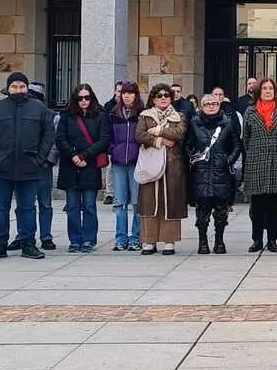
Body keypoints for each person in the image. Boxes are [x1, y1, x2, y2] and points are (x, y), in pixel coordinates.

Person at [0, 72, 57, 261]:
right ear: (8, 88)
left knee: (27, 208)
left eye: (22, 86)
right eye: (14, 87)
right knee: (0, 209)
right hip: (2, 168)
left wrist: (40, 158)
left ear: (27, 88)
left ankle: (28, 244)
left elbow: (49, 134)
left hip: (29, 167)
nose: (18, 90)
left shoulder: (38, 108)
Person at [241, 78, 277, 253]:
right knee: (257, 205)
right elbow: (246, 138)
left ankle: (272, 239)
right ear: (259, 91)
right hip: (256, 162)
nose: (267, 91)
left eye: (270, 88)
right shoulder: (250, 111)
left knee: (274, 205)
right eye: (264, 88)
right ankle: (257, 239)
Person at [56, 83, 112, 254]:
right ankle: (74, 240)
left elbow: (103, 140)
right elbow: (60, 138)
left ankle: (88, 239)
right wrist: (73, 155)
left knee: (89, 205)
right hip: (70, 165)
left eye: (86, 97)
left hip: (90, 164)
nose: (83, 101)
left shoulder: (101, 116)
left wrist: (85, 156)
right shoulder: (66, 116)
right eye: (80, 98)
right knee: (72, 206)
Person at [135, 83, 190, 255]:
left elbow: (179, 134)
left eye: (167, 95)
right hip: (151, 163)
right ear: (153, 99)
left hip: (172, 165)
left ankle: (169, 241)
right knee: (150, 201)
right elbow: (139, 135)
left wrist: (158, 130)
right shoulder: (145, 116)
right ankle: (149, 241)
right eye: (159, 95)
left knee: (170, 201)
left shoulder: (178, 116)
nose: (163, 98)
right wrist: (159, 141)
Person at [189, 93, 241, 254]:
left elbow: (237, 145)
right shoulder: (194, 123)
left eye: (214, 103)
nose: (211, 106)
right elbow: (188, 145)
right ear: (202, 107)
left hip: (221, 172)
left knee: (221, 210)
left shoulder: (228, 123)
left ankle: (219, 240)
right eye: (207, 104)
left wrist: (228, 160)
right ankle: (203, 242)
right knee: (202, 211)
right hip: (201, 172)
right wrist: (193, 157)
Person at [17, 81, 57, 251]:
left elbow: (54, 142)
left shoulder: (51, 115)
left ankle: (46, 236)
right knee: (23, 204)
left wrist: (46, 160)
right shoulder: (18, 114)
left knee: (45, 203)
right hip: (22, 164)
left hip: (42, 165)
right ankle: (23, 235)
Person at [109, 81, 143, 251]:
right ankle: (121, 238)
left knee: (137, 202)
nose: (127, 96)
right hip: (118, 163)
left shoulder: (142, 114)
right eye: (124, 93)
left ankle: (136, 237)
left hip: (137, 162)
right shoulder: (113, 114)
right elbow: (107, 137)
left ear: (136, 95)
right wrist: (113, 150)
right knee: (120, 202)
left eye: (130, 93)